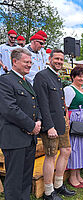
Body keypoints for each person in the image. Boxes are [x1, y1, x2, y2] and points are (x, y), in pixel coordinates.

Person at [33, 49, 75, 200]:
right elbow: (42, 104)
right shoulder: (42, 76)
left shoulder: (56, 77)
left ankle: (58, 185)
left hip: (61, 122)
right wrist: (49, 126)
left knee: (66, 151)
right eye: (56, 58)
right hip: (50, 125)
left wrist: (65, 117)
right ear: (49, 59)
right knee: (50, 156)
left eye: (61, 59)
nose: (59, 61)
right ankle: (48, 192)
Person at [0, 48, 41, 200]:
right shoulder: (5, 81)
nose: (29, 65)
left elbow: (35, 104)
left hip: (28, 139)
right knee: (14, 180)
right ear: (14, 61)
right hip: (14, 139)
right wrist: (31, 126)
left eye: (30, 62)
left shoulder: (26, 82)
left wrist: (39, 121)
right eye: (26, 62)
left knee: (25, 178)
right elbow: (9, 109)